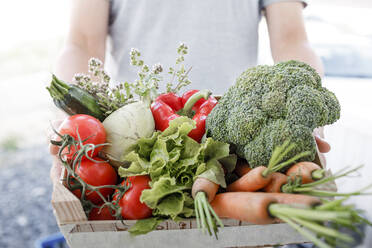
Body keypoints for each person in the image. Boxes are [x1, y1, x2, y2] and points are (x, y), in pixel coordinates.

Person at [50, 0, 330, 180]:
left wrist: (304, 107)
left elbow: (292, 40)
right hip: (134, 147)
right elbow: (82, 44)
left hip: (235, 144)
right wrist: (75, 117)